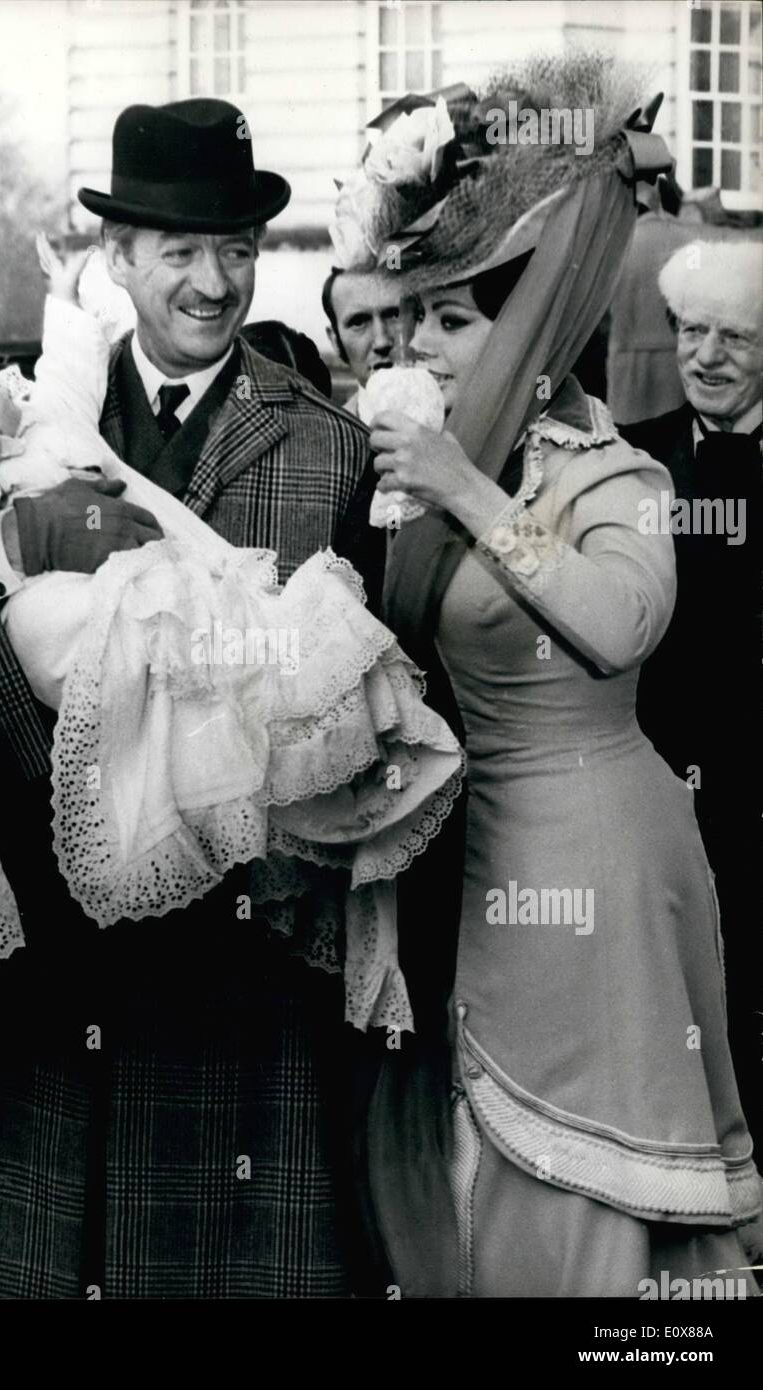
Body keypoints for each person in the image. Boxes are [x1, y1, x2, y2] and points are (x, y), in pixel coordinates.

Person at [0, 98, 405, 1299]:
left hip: (224, 973)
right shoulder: (11, 422)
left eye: (237, 251)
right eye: (181, 251)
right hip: (30, 965)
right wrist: (48, 774)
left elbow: (352, 689)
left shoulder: (323, 448)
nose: (213, 281)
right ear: (120, 258)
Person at [332, 57, 760, 1296]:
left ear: (528, 331)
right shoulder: (429, 466)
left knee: (577, 1183)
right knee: (475, 1158)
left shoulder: (615, 475)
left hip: (595, 860)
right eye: (412, 316)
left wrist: (460, 494)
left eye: (451, 319)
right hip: (475, 856)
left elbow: (620, 625)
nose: (416, 342)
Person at [623, 239, 762, 1155]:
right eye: (692, 332)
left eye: (736, 339)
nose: (706, 356)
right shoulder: (635, 465)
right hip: (669, 797)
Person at [321, 266, 413, 418]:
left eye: (395, 315)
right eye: (358, 323)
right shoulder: (328, 437)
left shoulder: (461, 426)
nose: (382, 342)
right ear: (335, 341)